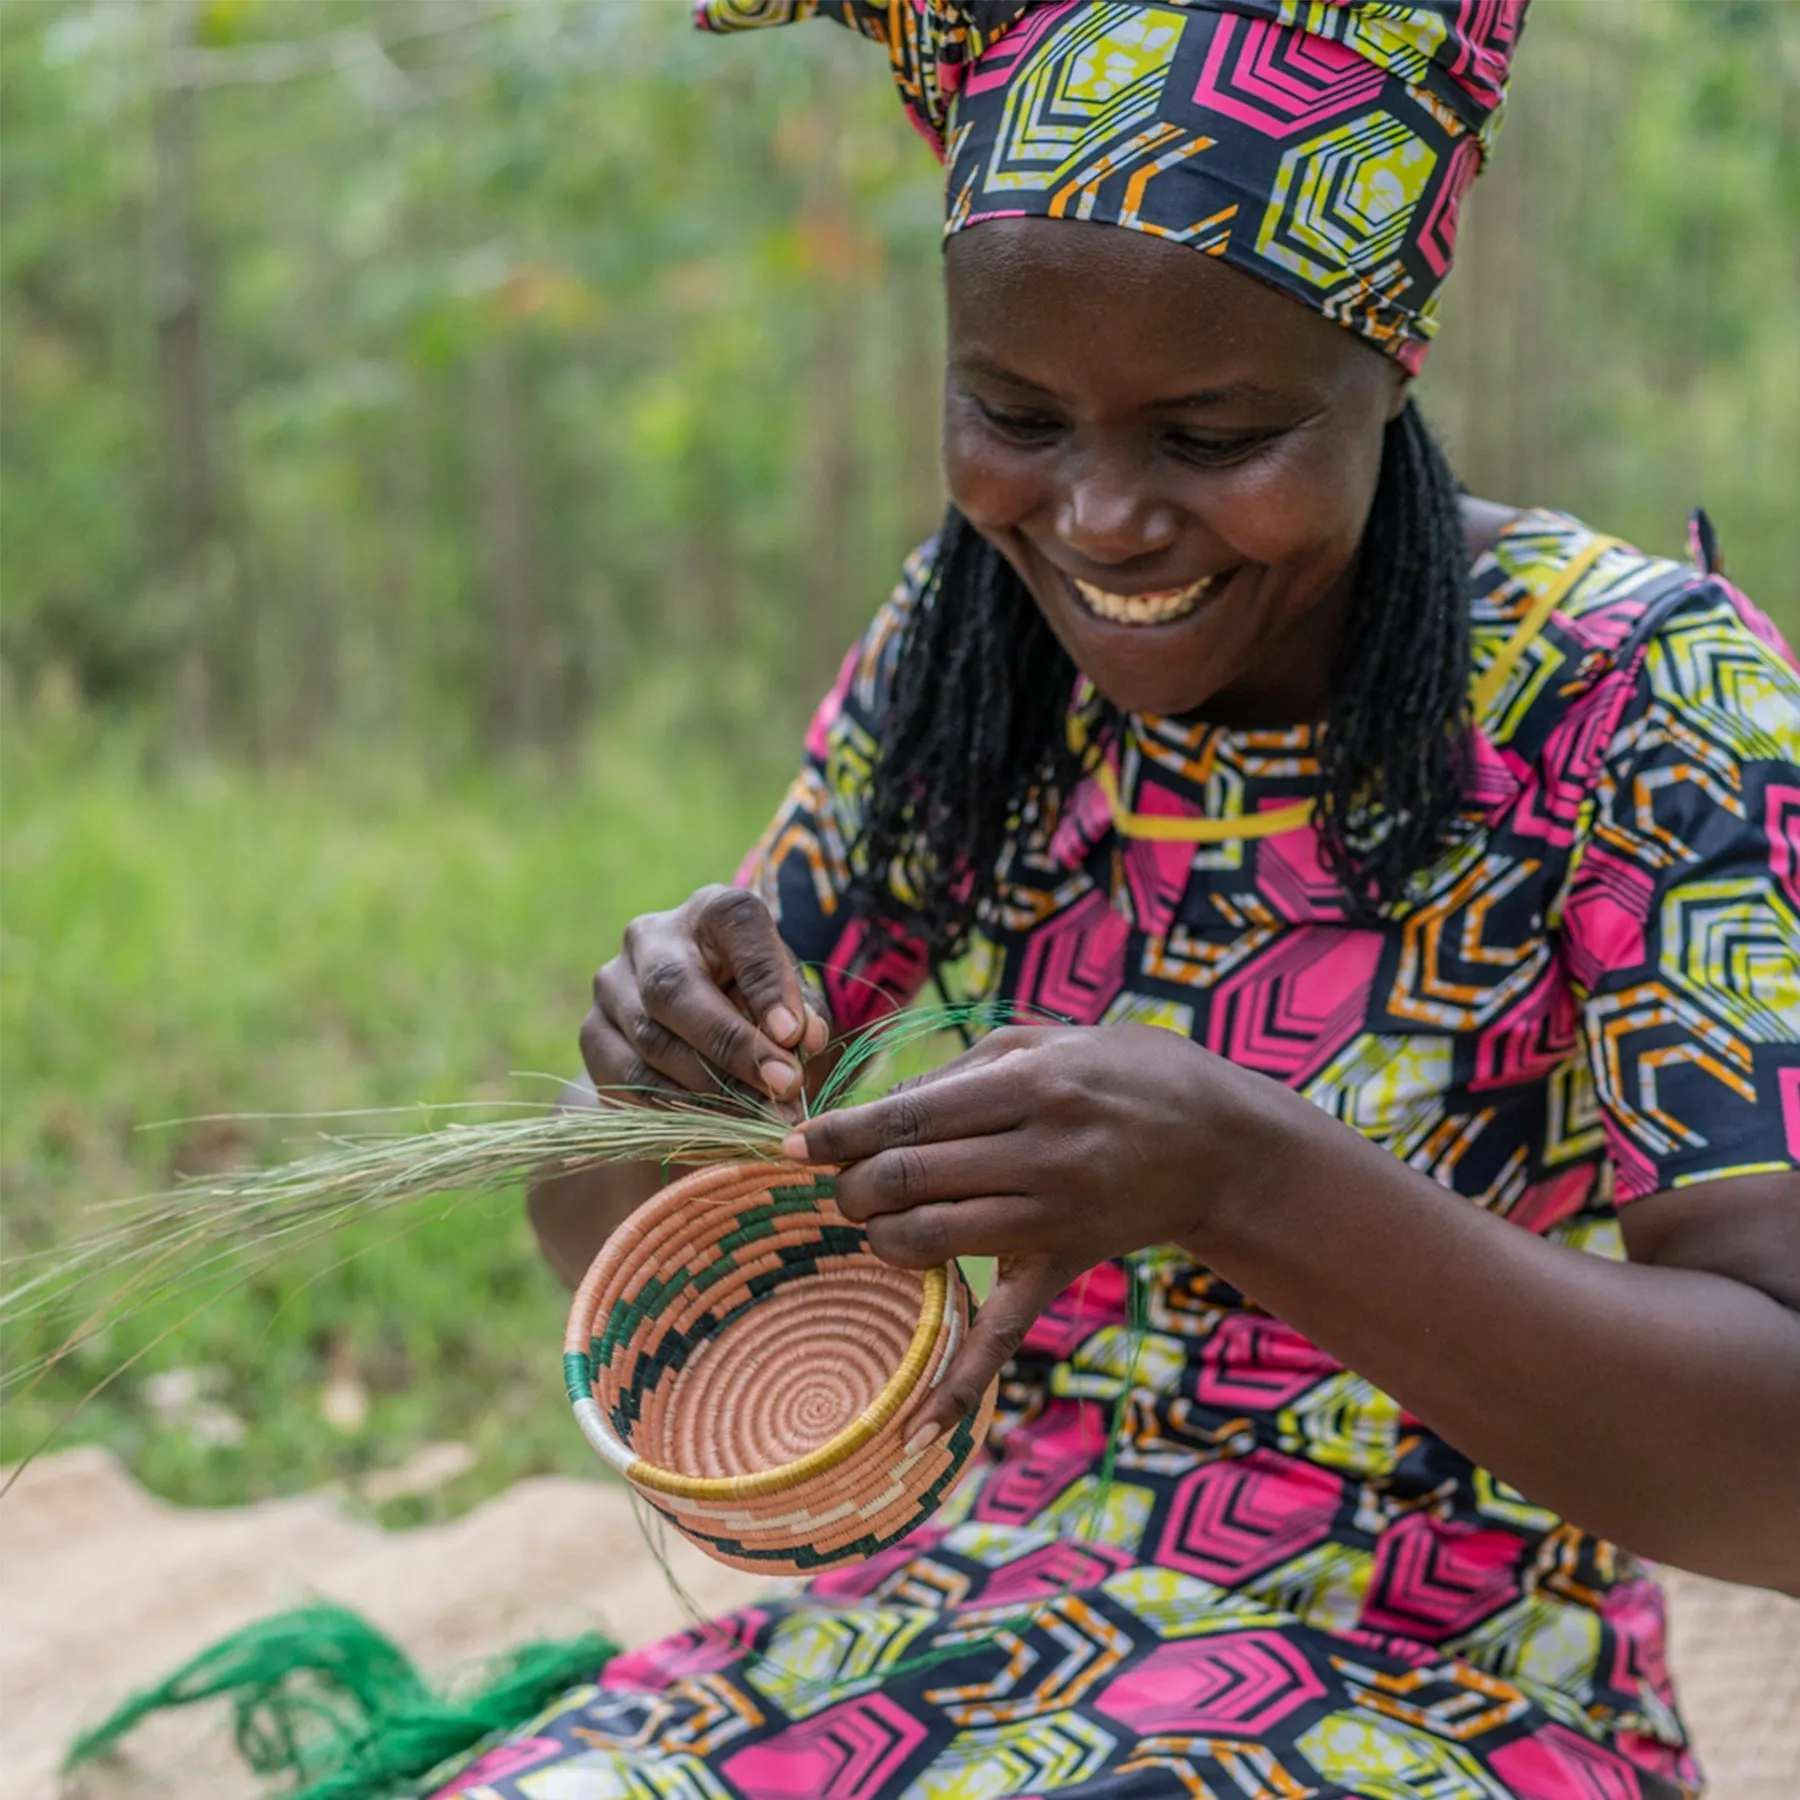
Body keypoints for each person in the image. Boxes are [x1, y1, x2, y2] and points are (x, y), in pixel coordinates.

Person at [501, 3, 1800, 1796]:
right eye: (1016, 415)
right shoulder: (970, 654)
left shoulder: (1627, 698)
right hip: (956, 1634)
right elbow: (619, 1270)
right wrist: (649, 1093)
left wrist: (1242, 1177)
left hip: (1433, 1679)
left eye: (1215, 434)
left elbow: (1783, 1456)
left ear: (1386, 366)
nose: (1103, 519)